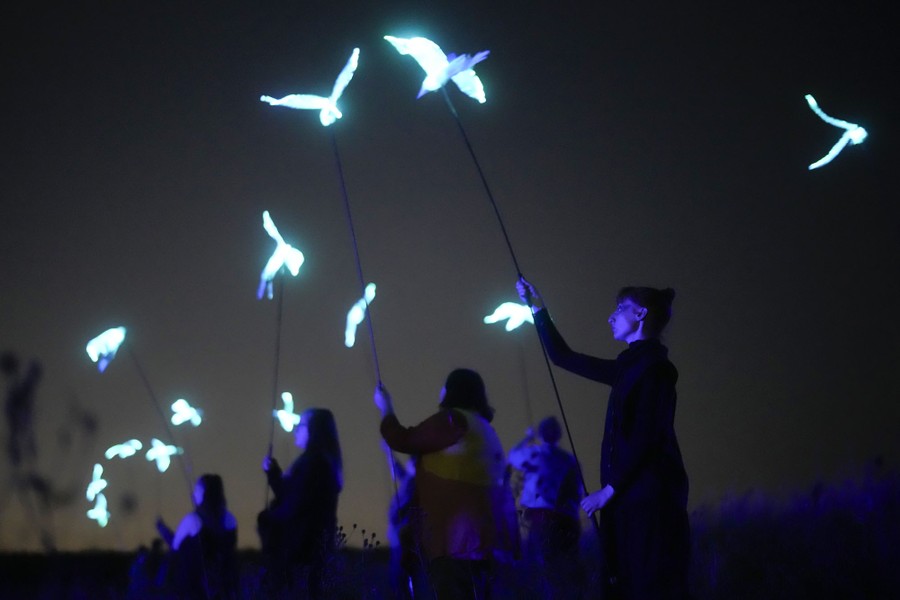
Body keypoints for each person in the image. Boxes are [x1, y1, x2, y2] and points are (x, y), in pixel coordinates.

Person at [517, 277, 690, 600]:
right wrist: (538, 308)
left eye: (620, 308)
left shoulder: (656, 369)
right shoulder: (629, 367)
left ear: (640, 314)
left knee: (647, 585)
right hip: (629, 501)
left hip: (650, 503)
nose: (611, 317)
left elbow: (647, 436)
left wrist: (609, 490)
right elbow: (563, 357)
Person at [374, 368, 520, 600]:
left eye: (444, 386)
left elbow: (402, 439)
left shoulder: (454, 420)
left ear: (453, 390)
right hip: (485, 542)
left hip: (455, 543)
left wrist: (386, 407)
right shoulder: (484, 428)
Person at [258, 408, 343, 598]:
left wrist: (266, 518)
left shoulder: (315, 463)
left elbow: (296, 505)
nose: (295, 428)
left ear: (314, 430)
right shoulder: (319, 461)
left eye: (301, 424)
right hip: (309, 547)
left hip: (302, 549)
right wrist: (274, 474)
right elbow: (294, 495)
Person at [507, 416, 582, 595]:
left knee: (544, 570)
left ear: (541, 433)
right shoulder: (569, 460)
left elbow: (513, 456)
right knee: (568, 569)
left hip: (543, 520)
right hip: (568, 520)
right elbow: (576, 491)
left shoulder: (535, 454)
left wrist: (527, 437)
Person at [156, 473, 238, 599]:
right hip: (224, 585)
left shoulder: (193, 520)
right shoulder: (230, 519)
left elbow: (175, 546)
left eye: (197, 489)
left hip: (195, 588)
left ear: (204, 493)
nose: (194, 492)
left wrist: (162, 528)